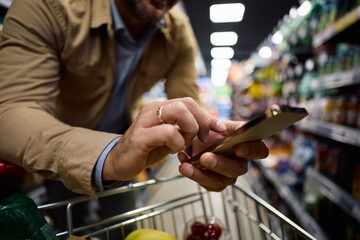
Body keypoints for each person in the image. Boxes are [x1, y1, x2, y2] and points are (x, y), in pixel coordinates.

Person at [0, 0, 269, 235]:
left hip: (125, 150)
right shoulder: (49, 6)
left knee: (124, 228)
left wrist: (208, 141)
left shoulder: (178, 31)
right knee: (67, 225)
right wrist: (109, 155)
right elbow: (10, 110)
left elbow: (190, 106)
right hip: (60, 149)